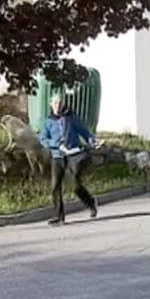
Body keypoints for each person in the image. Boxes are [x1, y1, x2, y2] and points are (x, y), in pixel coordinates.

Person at [39, 94, 98, 226]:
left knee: (75, 185)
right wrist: (56, 144)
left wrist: (92, 140)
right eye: (55, 103)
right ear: (50, 104)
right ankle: (59, 217)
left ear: (63, 103)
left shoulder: (71, 118)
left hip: (72, 155)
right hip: (57, 156)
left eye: (59, 103)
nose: (57, 106)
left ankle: (91, 202)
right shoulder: (49, 121)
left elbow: (85, 132)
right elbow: (42, 139)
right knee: (55, 186)